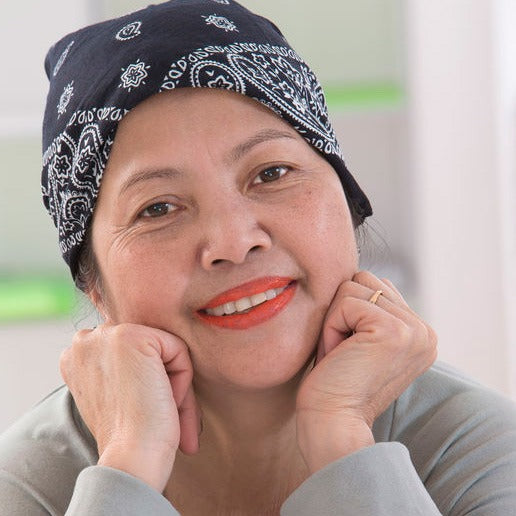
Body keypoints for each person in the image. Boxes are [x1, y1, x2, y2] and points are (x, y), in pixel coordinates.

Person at [1, 1, 515, 514]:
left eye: (271, 173)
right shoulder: (29, 483)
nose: (232, 241)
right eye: (157, 208)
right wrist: (126, 469)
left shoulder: (480, 449)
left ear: (348, 203)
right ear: (95, 287)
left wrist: (341, 439)